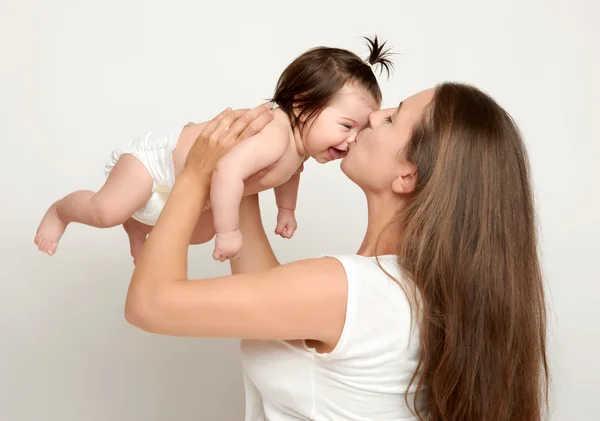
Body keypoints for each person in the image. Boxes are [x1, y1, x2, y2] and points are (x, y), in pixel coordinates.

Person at [124, 83, 549, 421]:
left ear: (407, 175)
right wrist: (240, 170)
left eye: (395, 116)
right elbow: (268, 295)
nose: (374, 115)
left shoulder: (348, 289)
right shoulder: (397, 290)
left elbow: (149, 304)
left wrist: (196, 174)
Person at [34, 36, 393, 262]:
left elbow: (290, 175)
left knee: (196, 232)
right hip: (157, 163)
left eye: (360, 129)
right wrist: (229, 231)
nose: (352, 139)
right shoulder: (276, 134)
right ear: (301, 104)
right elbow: (226, 171)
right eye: (347, 125)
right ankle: (62, 211)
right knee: (106, 210)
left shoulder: (297, 150)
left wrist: (286, 210)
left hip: (184, 188)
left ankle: (136, 221)